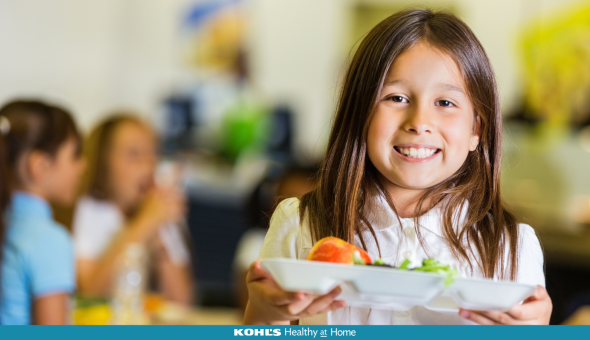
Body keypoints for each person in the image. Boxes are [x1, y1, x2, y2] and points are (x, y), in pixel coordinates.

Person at [244, 9, 552, 325]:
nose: (419, 123)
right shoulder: (299, 223)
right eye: (396, 98)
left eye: (445, 103)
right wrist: (263, 315)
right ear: (359, 112)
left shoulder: (512, 246)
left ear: (476, 130)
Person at [72, 114, 194, 305]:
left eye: (153, 154)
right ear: (103, 161)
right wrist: (144, 223)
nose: (147, 165)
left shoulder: (156, 211)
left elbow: (182, 300)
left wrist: (157, 230)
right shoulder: (91, 210)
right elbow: (90, 291)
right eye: (134, 155)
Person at [0, 100, 85, 324]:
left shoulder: (7, 223)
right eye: (75, 154)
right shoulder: (50, 240)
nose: (83, 165)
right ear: (39, 166)